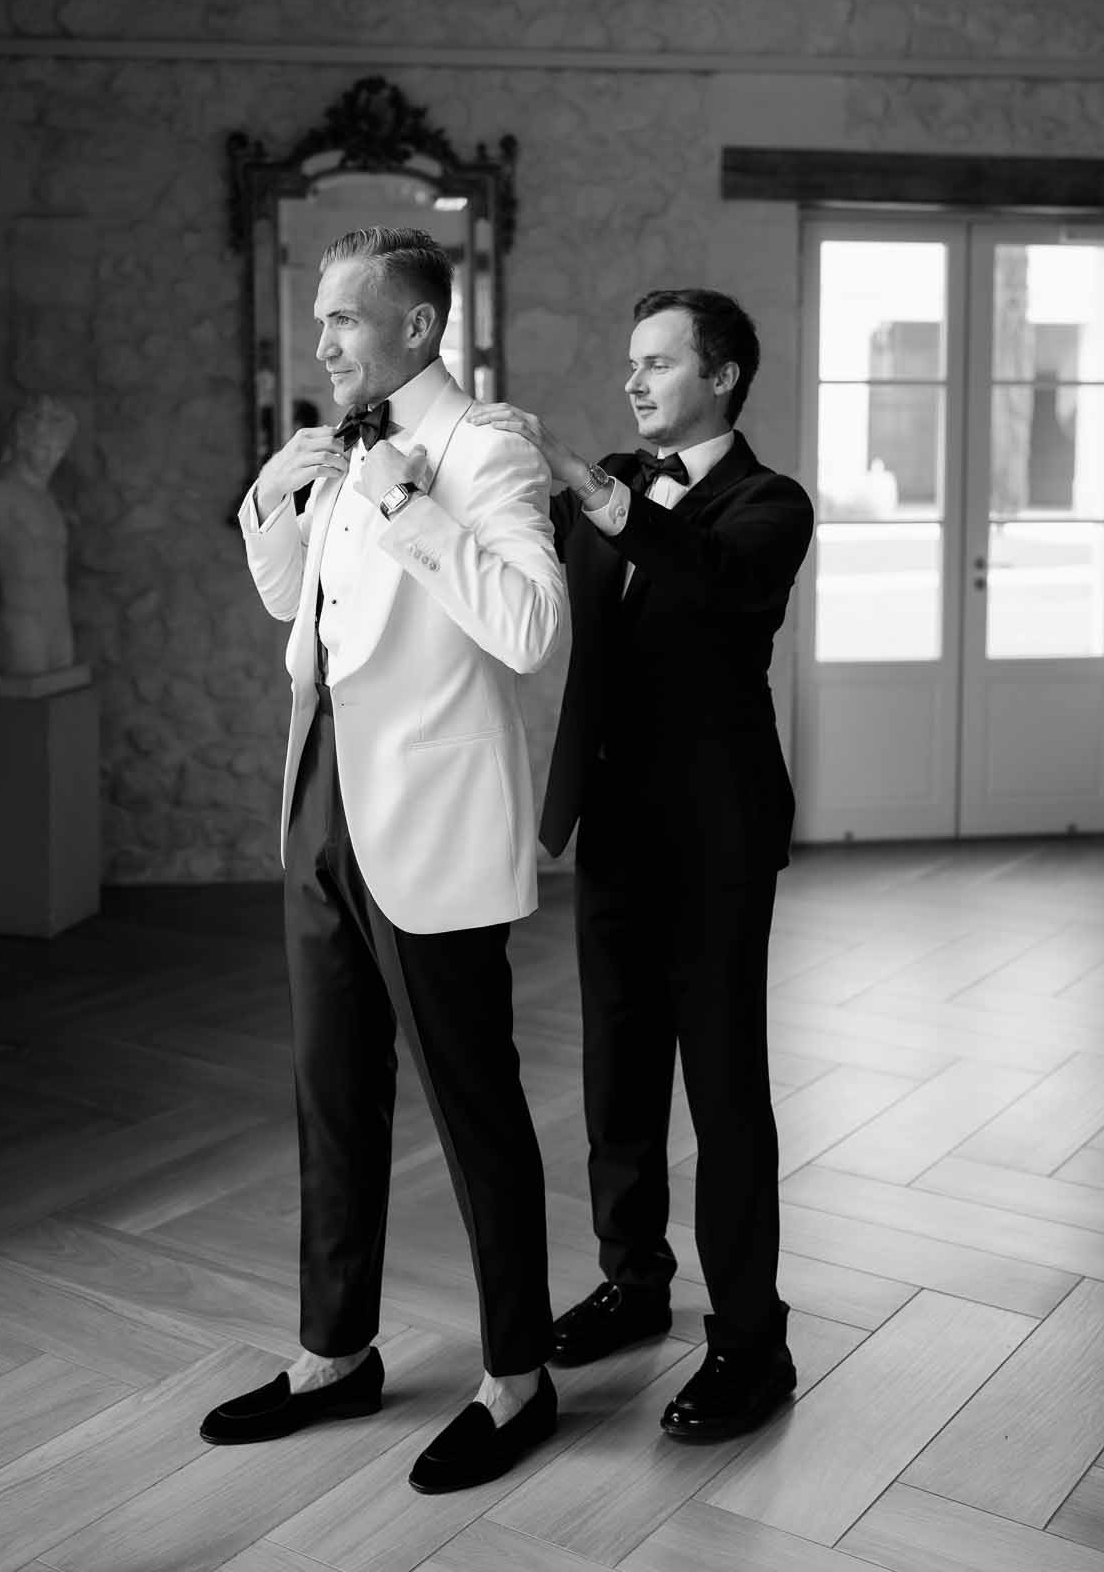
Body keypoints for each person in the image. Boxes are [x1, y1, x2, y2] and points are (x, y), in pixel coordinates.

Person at [202, 225, 565, 1494]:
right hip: (319, 796)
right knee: (329, 1092)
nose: (322, 343)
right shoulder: (347, 448)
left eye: (343, 320)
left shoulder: (488, 445)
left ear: (417, 327)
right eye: (319, 320)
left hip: (428, 817)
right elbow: (301, 613)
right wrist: (271, 500)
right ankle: (332, 1351)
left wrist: (409, 497)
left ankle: (518, 1377)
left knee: (474, 1106)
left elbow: (526, 625)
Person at [468, 287, 814, 1444]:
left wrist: (601, 492)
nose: (634, 379)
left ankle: (751, 1342)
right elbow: (529, 584)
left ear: (719, 376)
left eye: (658, 362)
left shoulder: (771, 504)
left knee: (722, 1090)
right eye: (631, 361)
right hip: (613, 826)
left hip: (717, 835)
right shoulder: (612, 483)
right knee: (618, 1071)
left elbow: (715, 579)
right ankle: (634, 1279)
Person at [0, 394, 79, 675]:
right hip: (22, 617)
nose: (51, 458)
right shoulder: (0, 493)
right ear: (22, 443)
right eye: (43, 447)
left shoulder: (49, 499)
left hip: (57, 617)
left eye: (58, 449)